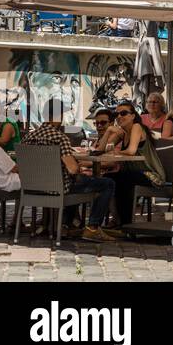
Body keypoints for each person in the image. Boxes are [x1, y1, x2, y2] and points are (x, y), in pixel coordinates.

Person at [24, 98, 116, 242]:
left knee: (79, 181)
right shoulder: (60, 138)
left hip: (33, 188)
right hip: (58, 188)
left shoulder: (28, 137)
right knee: (107, 183)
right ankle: (92, 227)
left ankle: (67, 224)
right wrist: (78, 165)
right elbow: (72, 169)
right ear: (58, 116)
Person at [105, 101, 167, 227]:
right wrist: (109, 131)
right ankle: (117, 220)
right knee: (108, 179)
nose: (119, 116)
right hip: (134, 173)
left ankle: (126, 224)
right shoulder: (123, 132)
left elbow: (131, 151)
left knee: (123, 179)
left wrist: (115, 153)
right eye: (117, 114)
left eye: (124, 113)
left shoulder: (136, 127)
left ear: (133, 116)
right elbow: (103, 148)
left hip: (151, 175)